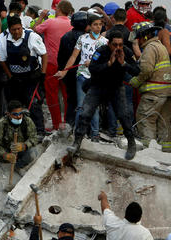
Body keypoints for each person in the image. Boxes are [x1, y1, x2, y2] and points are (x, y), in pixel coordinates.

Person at [68, 30, 140, 160]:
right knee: (85, 114)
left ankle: (131, 143)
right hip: (98, 86)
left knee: (124, 116)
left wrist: (124, 63)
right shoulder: (101, 51)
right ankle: (77, 142)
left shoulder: (127, 52)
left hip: (116, 87)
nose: (118, 48)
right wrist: (109, 63)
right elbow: (92, 69)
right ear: (108, 43)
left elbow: (136, 71)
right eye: (115, 44)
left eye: (120, 44)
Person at [56, 12, 107, 141]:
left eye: (100, 25)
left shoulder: (105, 42)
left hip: (97, 78)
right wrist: (64, 71)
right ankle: (79, 132)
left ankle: (94, 133)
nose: (98, 27)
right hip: (82, 75)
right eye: (95, 24)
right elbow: (73, 57)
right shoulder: (82, 39)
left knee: (93, 106)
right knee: (80, 106)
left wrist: (94, 63)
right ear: (89, 26)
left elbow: (107, 61)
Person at [0, 15, 47, 136]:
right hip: (15, 79)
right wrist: (10, 77)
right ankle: (15, 132)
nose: (17, 32)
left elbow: (44, 55)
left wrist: (43, 73)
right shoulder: (3, 40)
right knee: (14, 106)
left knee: (33, 104)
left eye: (19, 29)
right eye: (14, 29)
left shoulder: (32, 37)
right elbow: (2, 60)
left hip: (31, 77)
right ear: (9, 29)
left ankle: (39, 131)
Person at [128, 21, 171, 152]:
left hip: (153, 94)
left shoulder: (150, 48)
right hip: (167, 93)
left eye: (139, 37)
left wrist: (136, 81)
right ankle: (166, 153)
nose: (138, 40)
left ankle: (149, 152)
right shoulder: (161, 47)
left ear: (144, 36)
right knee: (164, 124)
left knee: (146, 120)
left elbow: (146, 70)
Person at [33, 0, 73, 130]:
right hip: (67, 65)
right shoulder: (72, 23)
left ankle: (56, 124)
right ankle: (68, 123)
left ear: (58, 9)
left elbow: (34, 31)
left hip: (51, 63)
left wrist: (41, 17)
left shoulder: (50, 22)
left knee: (52, 94)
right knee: (67, 95)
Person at [57, 11, 86, 128]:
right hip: (84, 73)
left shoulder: (65, 37)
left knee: (71, 100)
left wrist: (63, 71)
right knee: (83, 101)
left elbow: (60, 57)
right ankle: (82, 126)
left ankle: (69, 123)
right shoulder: (87, 38)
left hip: (68, 73)